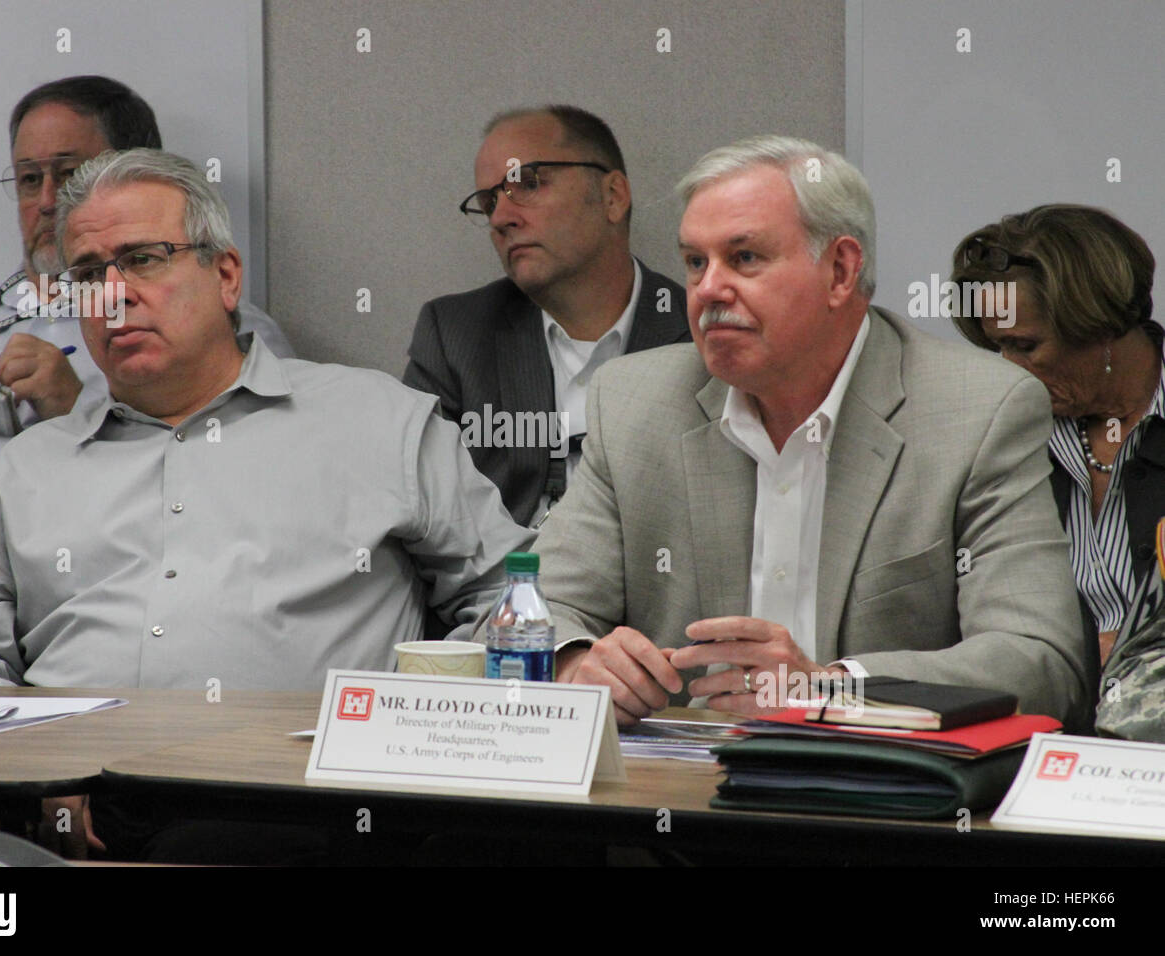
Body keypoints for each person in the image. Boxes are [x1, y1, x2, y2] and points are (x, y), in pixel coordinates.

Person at [537, 135, 1089, 729]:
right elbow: (524, 611)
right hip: (678, 793)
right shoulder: (634, 403)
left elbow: (1042, 663)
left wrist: (830, 689)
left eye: (744, 258)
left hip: (878, 801)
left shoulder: (978, 411)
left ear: (841, 271)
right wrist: (572, 663)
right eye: (696, 262)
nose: (708, 290)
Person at [0, 147, 532, 691]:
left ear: (225, 276)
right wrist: (34, 763)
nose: (113, 294)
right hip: (78, 791)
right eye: (89, 275)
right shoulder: (30, 468)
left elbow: (514, 599)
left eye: (142, 259)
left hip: (292, 793)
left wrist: (409, 724)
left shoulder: (378, 422)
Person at [0, 76, 293, 648]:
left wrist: (78, 408)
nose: (46, 202)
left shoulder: (201, 320)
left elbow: (249, 474)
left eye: (68, 176)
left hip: (41, 595)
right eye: (28, 178)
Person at [404, 106, 689, 527]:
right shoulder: (455, 334)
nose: (501, 217)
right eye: (489, 201)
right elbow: (420, 512)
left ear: (612, 197)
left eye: (528, 183)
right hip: (500, 585)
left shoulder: (700, 335)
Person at [950, 204, 1161, 674]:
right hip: (1040, 727)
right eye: (997, 346)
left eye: (1025, 346)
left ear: (1101, 324)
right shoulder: (997, 435)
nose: (1008, 369)